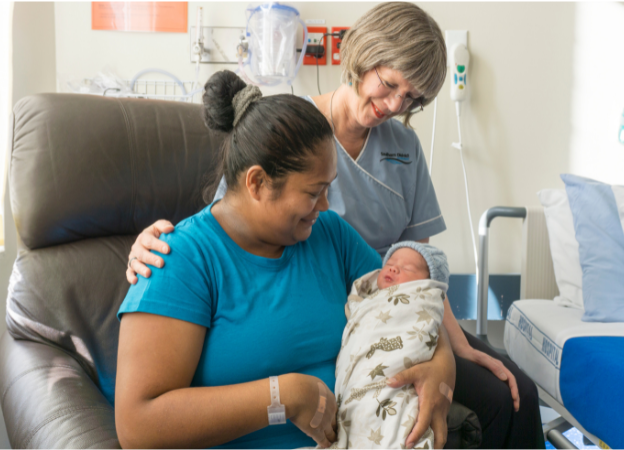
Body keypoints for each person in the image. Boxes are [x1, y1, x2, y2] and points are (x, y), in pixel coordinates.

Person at [125, 3, 544, 449]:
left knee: (514, 394)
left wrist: (447, 356)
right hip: (342, 324)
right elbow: (228, 226)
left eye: (413, 99)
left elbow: (413, 280)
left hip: (392, 318)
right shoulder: (275, 155)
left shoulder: (337, 226)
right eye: (390, 84)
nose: (396, 104)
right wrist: (152, 245)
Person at [114, 70, 456, 449]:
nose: (326, 206)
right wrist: (282, 397)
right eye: (314, 193)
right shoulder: (180, 261)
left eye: (329, 188)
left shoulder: (330, 235)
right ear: (257, 183)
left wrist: (442, 366)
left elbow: (404, 304)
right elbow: (137, 427)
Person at [334, 242, 448, 449]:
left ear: (427, 284)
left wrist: (446, 365)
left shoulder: (421, 302)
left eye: (408, 269)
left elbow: (428, 325)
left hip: (393, 388)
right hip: (352, 394)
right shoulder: (366, 302)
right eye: (391, 263)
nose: (394, 268)